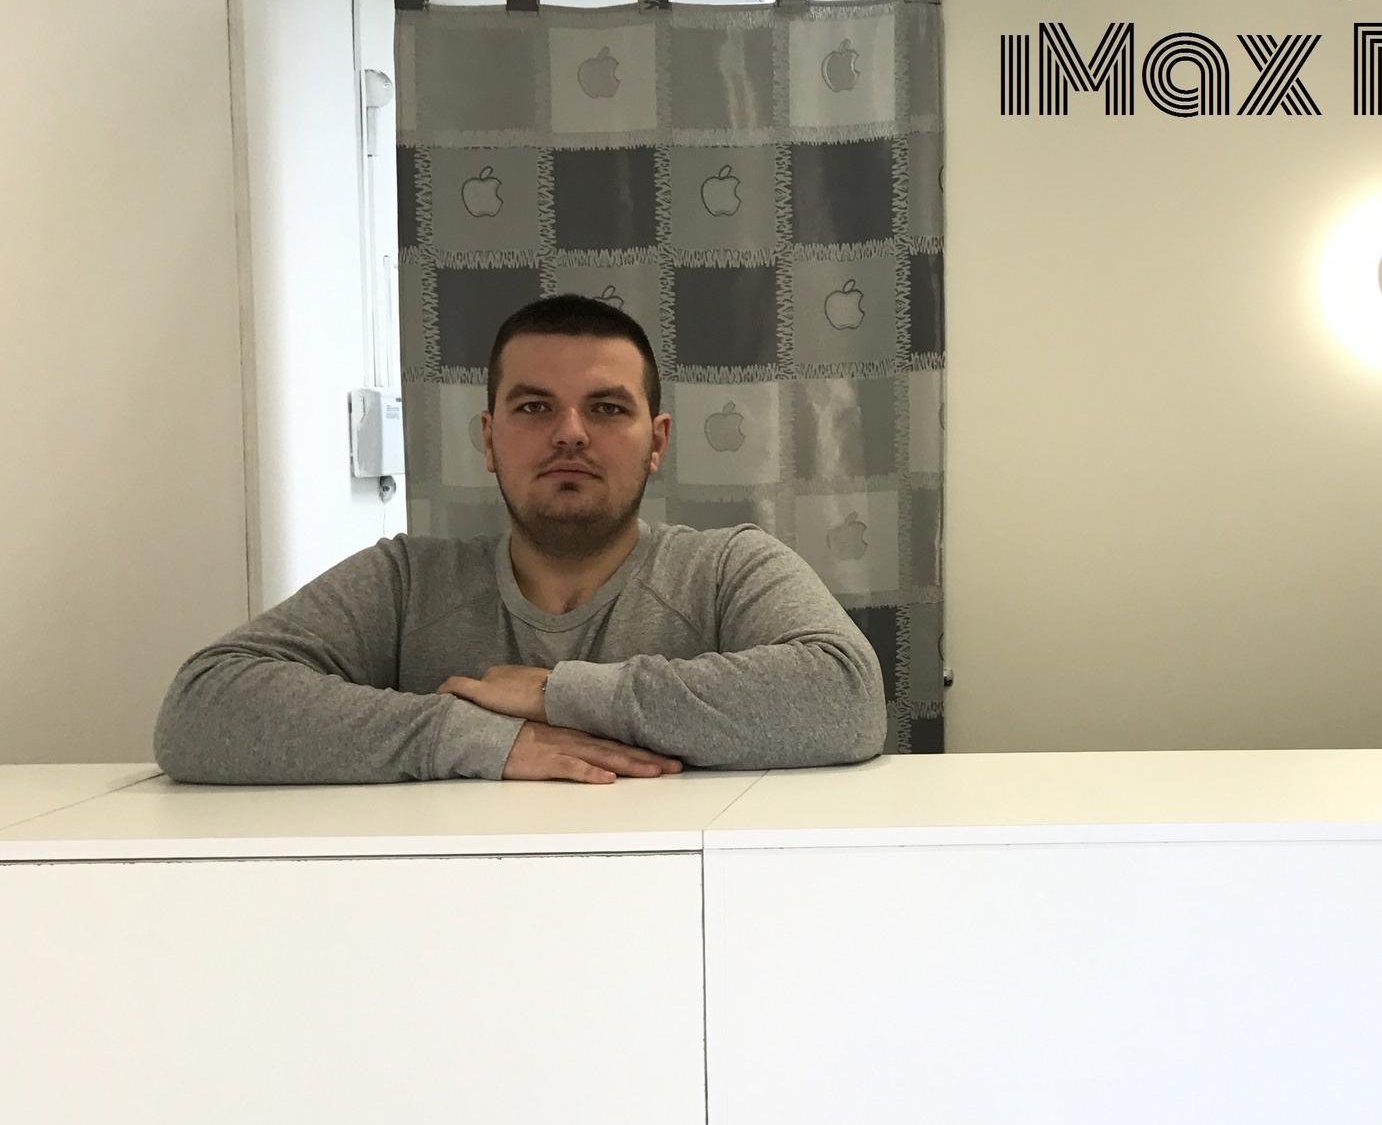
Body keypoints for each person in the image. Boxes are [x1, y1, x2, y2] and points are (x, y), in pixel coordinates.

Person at [154, 295, 885, 785]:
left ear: (656, 442)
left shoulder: (727, 569)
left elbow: (847, 700)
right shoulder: (407, 582)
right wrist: (475, 740)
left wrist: (556, 692)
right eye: (534, 407)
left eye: (607, 408)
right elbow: (201, 706)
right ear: (489, 438)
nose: (570, 433)